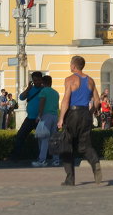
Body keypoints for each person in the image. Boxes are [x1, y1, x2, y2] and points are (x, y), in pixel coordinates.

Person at [56, 55, 104, 186]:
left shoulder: (70, 80)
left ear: (73, 66)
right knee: (85, 146)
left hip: (72, 113)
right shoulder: (90, 81)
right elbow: (98, 101)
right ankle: (95, 162)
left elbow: (66, 100)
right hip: (85, 114)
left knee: (67, 145)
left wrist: (61, 119)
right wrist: (90, 112)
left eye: (71, 64)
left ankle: (70, 179)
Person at [13, 72, 44, 159]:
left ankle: (42, 156)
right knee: (20, 136)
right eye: (35, 80)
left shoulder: (44, 89)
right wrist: (28, 88)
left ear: (41, 80)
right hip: (30, 118)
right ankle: (16, 156)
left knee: (42, 138)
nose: (36, 82)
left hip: (40, 118)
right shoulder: (31, 89)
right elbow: (21, 97)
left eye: (38, 80)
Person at [32, 75, 62, 167]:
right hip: (54, 116)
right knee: (54, 139)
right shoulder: (56, 93)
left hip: (46, 116)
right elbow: (57, 106)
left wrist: (39, 115)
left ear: (43, 83)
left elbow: (42, 103)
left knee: (44, 138)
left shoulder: (43, 91)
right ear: (51, 82)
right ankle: (56, 160)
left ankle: (42, 160)